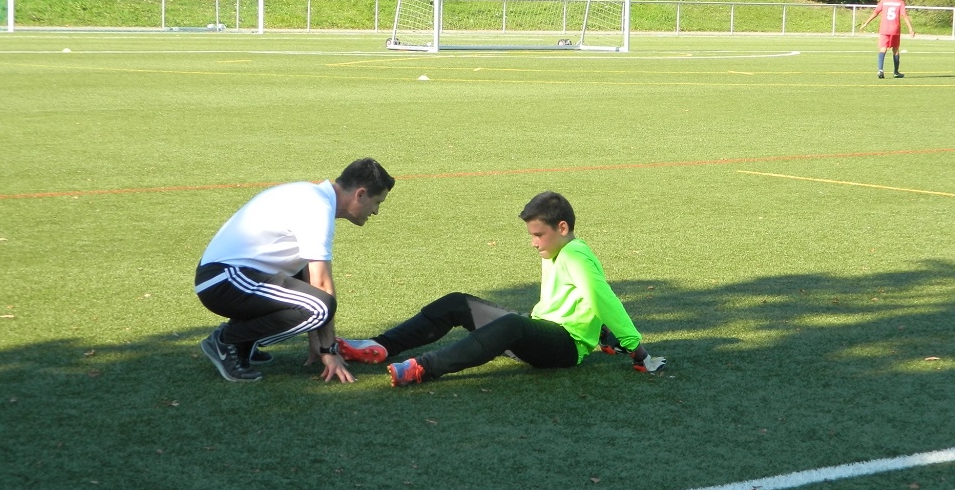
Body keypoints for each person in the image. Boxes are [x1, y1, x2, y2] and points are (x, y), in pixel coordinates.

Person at [336, 191, 665, 386]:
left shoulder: (576, 255)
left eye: (539, 235)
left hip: (565, 347)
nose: (534, 243)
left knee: (512, 325)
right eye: (531, 235)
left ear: (562, 227)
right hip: (541, 332)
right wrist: (605, 336)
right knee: (457, 303)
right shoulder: (558, 249)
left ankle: (423, 368)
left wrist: (637, 350)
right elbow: (575, 300)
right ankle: (381, 345)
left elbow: (603, 299)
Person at [195, 158, 395, 383]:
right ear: (360, 194)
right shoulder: (317, 207)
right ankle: (229, 340)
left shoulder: (313, 197)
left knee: (310, 288)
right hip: (223, 280)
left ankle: (243, 341)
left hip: (226, 277)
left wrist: (316, 340)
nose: (376, 211)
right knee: (321, 307)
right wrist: (328, 350)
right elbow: (322, 287)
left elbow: (309, 276)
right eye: (377, 202)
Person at [859, 0, 915, 79]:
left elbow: (876, 12)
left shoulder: (884, 1)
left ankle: (880, 70)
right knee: (895, 50)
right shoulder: (900, 2)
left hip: (884, 28)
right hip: (895, 29)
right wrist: (910, 28)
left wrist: (866, 23)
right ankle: (896, 72)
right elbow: (904, 15)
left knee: (883, 48)